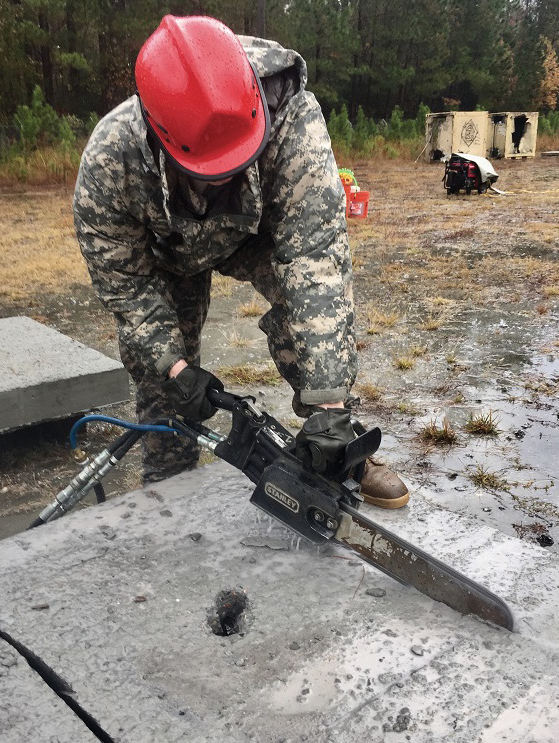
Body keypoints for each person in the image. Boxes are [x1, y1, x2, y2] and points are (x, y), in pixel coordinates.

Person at [73, 14, 409, 508]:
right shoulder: (111, 163)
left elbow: (315, 262)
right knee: (168, 390)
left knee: (307, 314)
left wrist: (329, 401)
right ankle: (169, 494)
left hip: (255, 232)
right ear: (158, 136)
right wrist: (174, 366)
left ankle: (341, 445)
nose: (222, 180)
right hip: (167, 254)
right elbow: (127, 288)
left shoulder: (293, 121)